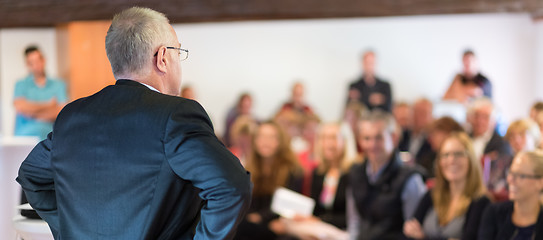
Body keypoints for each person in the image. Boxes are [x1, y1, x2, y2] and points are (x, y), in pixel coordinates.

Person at [17, 7, 252, 239]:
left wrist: (70, 230)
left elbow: (31, 175)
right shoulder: (176, 115)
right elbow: (231, 187)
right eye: (178, 53)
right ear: (162, 58)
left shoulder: (71, 116)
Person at [347, 110, 427, 240]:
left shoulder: (410, 179)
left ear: (394, 138)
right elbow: (354, 224)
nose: (372, 145)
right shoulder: (356, 174)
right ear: (360, 141)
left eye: (379, 138)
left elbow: (413, 232)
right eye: (367, 138)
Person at [404, 132, 490, 240]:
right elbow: (409, 232)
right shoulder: (431, 194)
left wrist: (423, 237)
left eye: (458, 154)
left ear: (471, 160)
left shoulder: (481, 202)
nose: (451, 160)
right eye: (445, 155)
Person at [235, 120, 304, 240]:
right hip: (252, 223)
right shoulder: (249, 168)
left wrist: (260, 217)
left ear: (280, 141)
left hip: (278, 223)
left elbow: (287, 205)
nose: (266, 142)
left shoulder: (292, 170)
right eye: (261, 137)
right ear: (255, 141)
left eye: (271, 137)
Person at [478, 151, 543, 239]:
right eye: (511, 173)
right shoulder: (494, 213)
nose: (510, 180)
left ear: (540, 182)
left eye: (521, 175)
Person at [13, 45, 68, 140]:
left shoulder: (58, 85)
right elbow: (21, 107)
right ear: (27, 65)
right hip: (25, 139)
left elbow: (62, 112)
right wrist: (49, 105)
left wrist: (32, 114)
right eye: (32, 63)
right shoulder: (20, 85)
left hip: (52, 138)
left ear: (44, 60)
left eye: (38, 60)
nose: (36, 65)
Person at [467, 98, 512, 200]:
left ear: (494, 121)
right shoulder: (463, 139)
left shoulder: (502, 144)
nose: (480, 121)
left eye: (485, 117)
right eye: (476, 115)